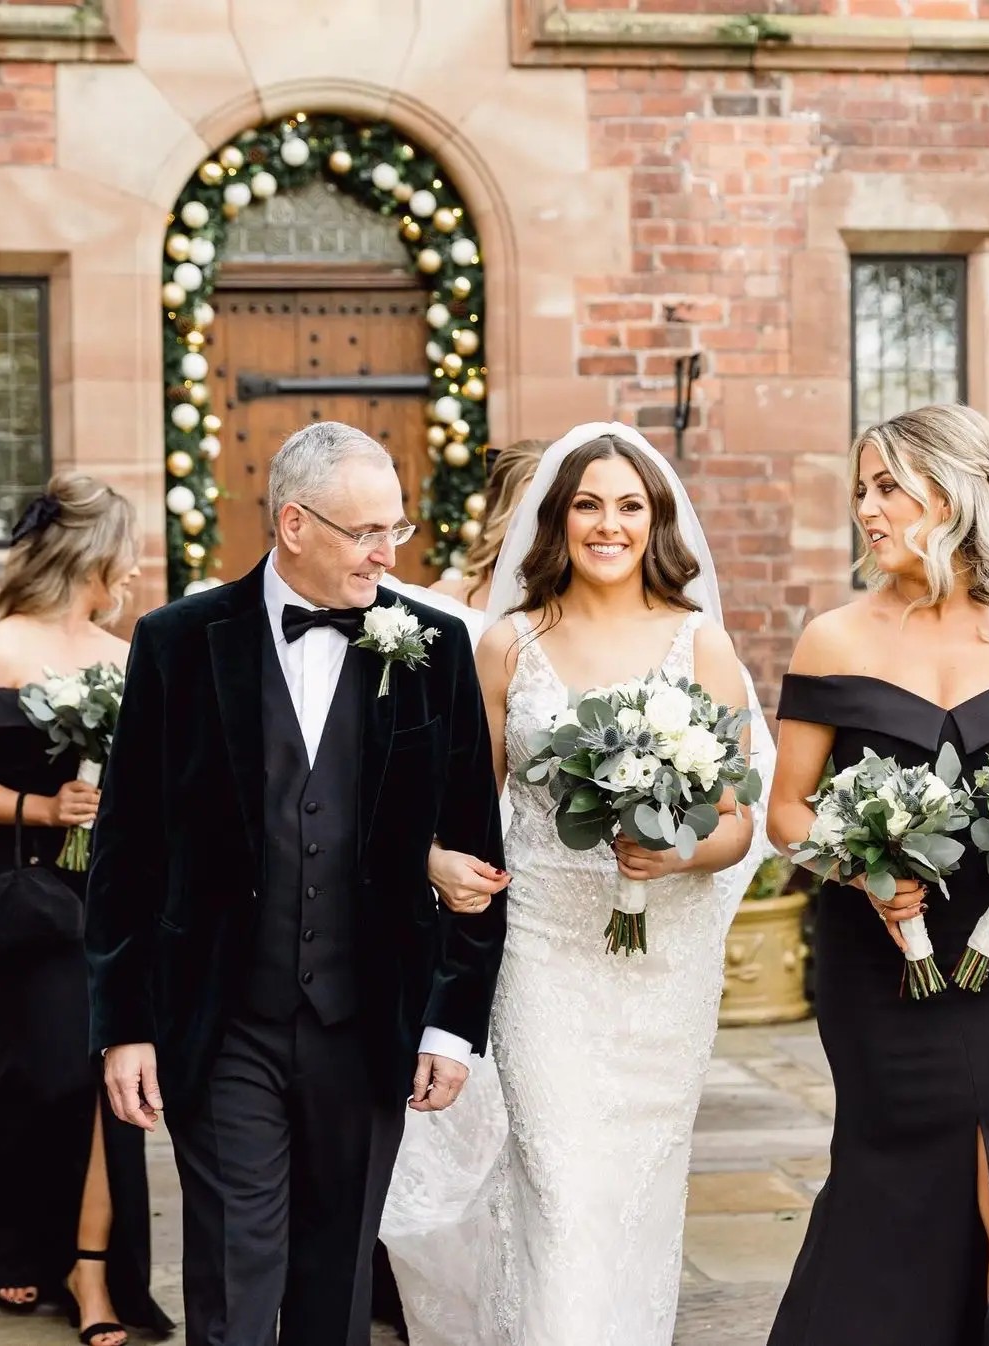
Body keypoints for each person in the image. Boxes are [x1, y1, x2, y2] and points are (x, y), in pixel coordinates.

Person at [84, 421, 507, 1346]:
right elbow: (127, 850)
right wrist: (124, 1025)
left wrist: (449, 1023)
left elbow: (476, 848)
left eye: (395, 530)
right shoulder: (178, 644)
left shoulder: (433, 646)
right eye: (365, 533)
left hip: (367, 1024)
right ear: (293, 524)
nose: (386, 554)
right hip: (221, 1016)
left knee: (337, 1283)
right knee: (236, 1286)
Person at [463, 421, 765, 1345]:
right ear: (557, 520)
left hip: (661, 963)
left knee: (638, 1188)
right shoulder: (508, 645)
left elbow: (738, 819)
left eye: (629, 506)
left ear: (655, 522)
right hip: (545, 951)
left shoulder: (699, 644)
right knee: (557, 1185)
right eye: (588, 504)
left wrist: (678, 853)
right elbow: (474, 806)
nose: (608, 524)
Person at [0, 475, 171, 1346]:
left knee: (105, 1070)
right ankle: (8, 1239)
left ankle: (88, 1267)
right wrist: (42, 809)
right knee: (47, 1070)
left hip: (106, 888)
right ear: (91, 552)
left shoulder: (122, 651)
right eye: (125, 545)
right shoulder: (0, 648)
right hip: (27, 886)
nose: (132, 564)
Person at [766, 403, 989, 1345]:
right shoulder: (834, 637)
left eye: (888, 487)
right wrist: (854, 867)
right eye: (861, 488)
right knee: (899, 1168)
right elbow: (788, 809)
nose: (866, 508)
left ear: (953, 496)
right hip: (882, 965)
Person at [376, 440, 547, 1343]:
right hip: (462, 888)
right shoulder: (426, 614)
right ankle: (432, 1294)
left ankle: (533, 1295)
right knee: (449, 1111)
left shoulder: (579, 617)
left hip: (554, 887)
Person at [429, 439, 549, 612]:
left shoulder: (576, 616)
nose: (539, 527)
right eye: (524, 513)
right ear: (496, 513)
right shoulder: (443, 599)